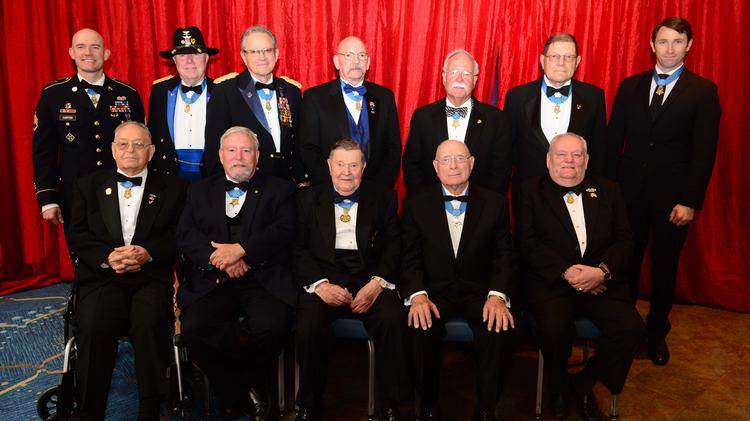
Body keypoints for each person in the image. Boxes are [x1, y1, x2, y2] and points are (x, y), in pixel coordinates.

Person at [608, 16, 721, 365]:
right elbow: (613, 143)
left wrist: (690, 201)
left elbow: (704, 152)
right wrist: (609, 196)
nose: (669, 48)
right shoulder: (630, 86)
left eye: (677, 42)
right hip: (628, 196)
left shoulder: (702, 91)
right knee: (623, 266)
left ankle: (656, 334)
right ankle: (620, 330)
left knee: (664, 268)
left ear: (688, 46)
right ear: (652, 45)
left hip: (674, 201)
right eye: (663, 41)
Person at [516, 133, 645, 421]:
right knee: (553, 327)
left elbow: (626, 241)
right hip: (553, 284)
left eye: (576, 155)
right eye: (562, 155)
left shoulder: (609, 189)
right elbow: (527, 243)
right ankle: (558, 386)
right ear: (549, 160)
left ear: (586, 160)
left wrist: (602, 272)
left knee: (632, 330)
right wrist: (569, 273)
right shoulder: (529, 191)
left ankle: (585, 383)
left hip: (601, 283)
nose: (569, 161)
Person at [68, 121, 187, 420]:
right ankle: (88, 411)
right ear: (112, 149)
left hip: (150, 276)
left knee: (149, 324)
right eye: (123, 144)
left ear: (151, 151)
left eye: (138, 144)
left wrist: (148, 253)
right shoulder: (87, 185)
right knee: (94, 325)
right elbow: (77, 235)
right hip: (103, 277)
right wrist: (108, 256)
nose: (130, 150)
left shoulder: (174, 187)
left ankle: (149, 408)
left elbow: (180, 234)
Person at [176, 126, 296, 420]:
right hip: (213, 279)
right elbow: (185, 235)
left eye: (246, 151)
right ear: (220, 155)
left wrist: (242, 251)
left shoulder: (281, 189)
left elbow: (284, 230)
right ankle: (244, 390)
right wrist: (222, 259)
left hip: (262, 278)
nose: (239, 157)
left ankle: (235, 391)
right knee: (195, 329)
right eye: (232, 150)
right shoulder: (199, 189)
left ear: (257, 156)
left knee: (274, 327)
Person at [293, 139, 409, 421]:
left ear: (364, 167)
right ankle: (309, 404)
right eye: (341, 164)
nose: (347, 172)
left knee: (394, 321)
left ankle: (391, 405)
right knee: (307, 326)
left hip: (369, 275)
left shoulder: (383, 197)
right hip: (325, 276)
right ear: (329, 166)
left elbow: (396, 245)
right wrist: (320, 285)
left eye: (354, 165)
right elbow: (297, 248)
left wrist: (377, 283)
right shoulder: (307, 199)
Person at [401, 140, 517, 421]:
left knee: (500, 328)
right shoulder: (415, 204)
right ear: (435, 167)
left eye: (460, 159)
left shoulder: (496, 203)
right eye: (446, 160)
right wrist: (417, 295)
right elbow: (409, 257)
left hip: (479, 291)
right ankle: (427, 406)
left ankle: (486, 408)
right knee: (419, 328)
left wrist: (497, 296)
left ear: (472, 163)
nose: (453, 166)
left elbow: (504, 255)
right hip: (433, 292)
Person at [33, 28, 145, 230]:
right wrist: (47, 197)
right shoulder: (53, 95)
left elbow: (143, 147)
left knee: (124, 256)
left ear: (106, 54)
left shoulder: (127, 94)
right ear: (71, 53)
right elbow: (44, 151)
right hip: (74, 195)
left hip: (123, 192)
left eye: (95, 47)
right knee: (81, 256)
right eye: (81, 47)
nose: (88, 53)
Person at [504, 32, 606, 195]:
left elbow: (599, 150)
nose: (561, 63)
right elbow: (507, 150)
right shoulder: (517, 97)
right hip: (528, 192)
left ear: (577, 61)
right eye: (554, 57)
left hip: (577, 190)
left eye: (568, 57)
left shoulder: (593, 97)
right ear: (542, 60)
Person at [204, 25, 307, 186]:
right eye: (254, 52)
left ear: (276, 54)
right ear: (243, 57)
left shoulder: (291, 91)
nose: (262, 57)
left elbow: (299, 140)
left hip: (286, 185)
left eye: (267, 50)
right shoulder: (226, 91)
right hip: (246, 184)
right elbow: (213, 147)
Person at [402, 50, 512, 195]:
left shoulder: (496, 119)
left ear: (475, 80)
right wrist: (425, 204)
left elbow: (501, 171)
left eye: (466, 74)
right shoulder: (423, 117)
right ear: (444, 77)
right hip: (429, 207)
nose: (459, 79)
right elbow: (412, 166)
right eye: (453, 72)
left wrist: (484, 208)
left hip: (482, 208)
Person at [299, 36, 402, 188]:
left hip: (375, 191)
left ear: (368, 63)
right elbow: (308, 148)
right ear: (336, 62)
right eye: (348, 55)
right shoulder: (315, 97)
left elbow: (393, 147)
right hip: (330, 189)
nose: (356, 61)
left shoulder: (384, 96)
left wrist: (378, 187)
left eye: (361, 55)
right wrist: (335, 185)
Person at [148, 26, 219, 182]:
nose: (189, 61)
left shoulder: (222, 90)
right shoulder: (159, 91)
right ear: (174, 60)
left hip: (212, 177)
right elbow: (152, 135)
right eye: (182, 55)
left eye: (195, 53)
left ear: (206, 57)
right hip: (169, 178)